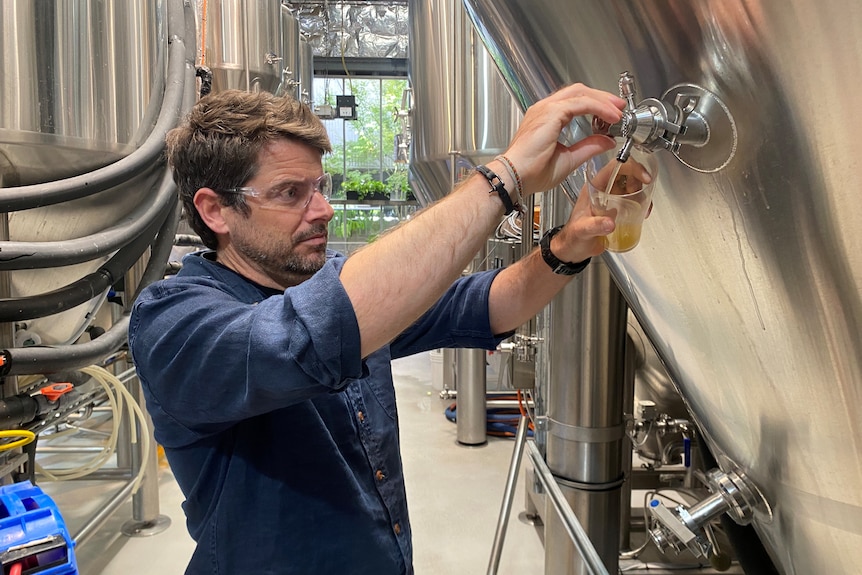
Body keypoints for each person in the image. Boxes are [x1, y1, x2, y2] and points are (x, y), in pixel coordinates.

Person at [128, 84, 625, 574]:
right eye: (290, 193)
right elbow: (305, 338)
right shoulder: (175, 324)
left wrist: (566, 247)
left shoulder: (328, 282)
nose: (323, 210)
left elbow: (482, 306)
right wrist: (505, 176)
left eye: (319, 187)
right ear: (215, 210)